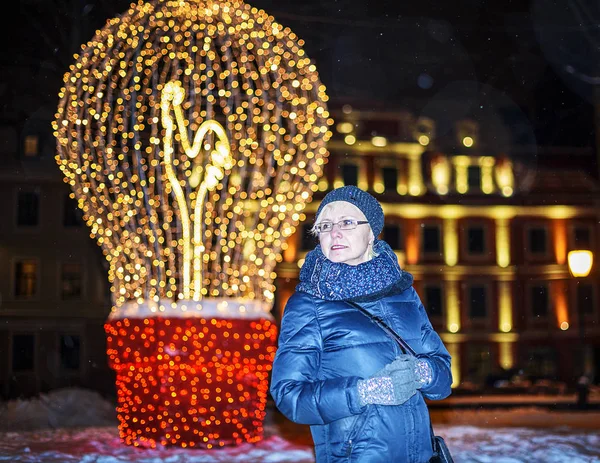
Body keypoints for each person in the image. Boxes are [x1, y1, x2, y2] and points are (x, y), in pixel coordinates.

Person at [270, 186, 452, 463]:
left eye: (347, 222)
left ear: (372, 232)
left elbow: (443, 376)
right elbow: (289, 395)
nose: (335, 233)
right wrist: (364, 391)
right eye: (325, 225)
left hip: (421, 456)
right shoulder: (308, 304)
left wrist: (423, 372)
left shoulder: (404, 293)